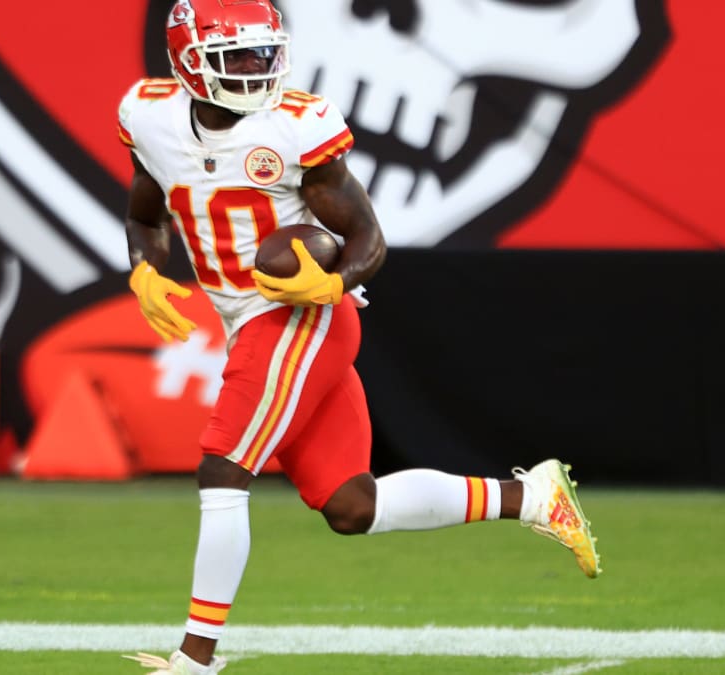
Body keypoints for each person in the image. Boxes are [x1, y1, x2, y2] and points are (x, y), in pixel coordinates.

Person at [118, 1, 601, 673]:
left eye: (266, 54)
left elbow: (369, 238)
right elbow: (146, 209)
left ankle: (195, 658)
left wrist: (335, 282)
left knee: (223, 465)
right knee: (352, 503)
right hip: (248, 322)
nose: (259, 70)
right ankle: (529, 497)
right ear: (190, 62)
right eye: (240, 58)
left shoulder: (295, 128)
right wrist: (144, 267)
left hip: (298, 317)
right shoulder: (150, 116)